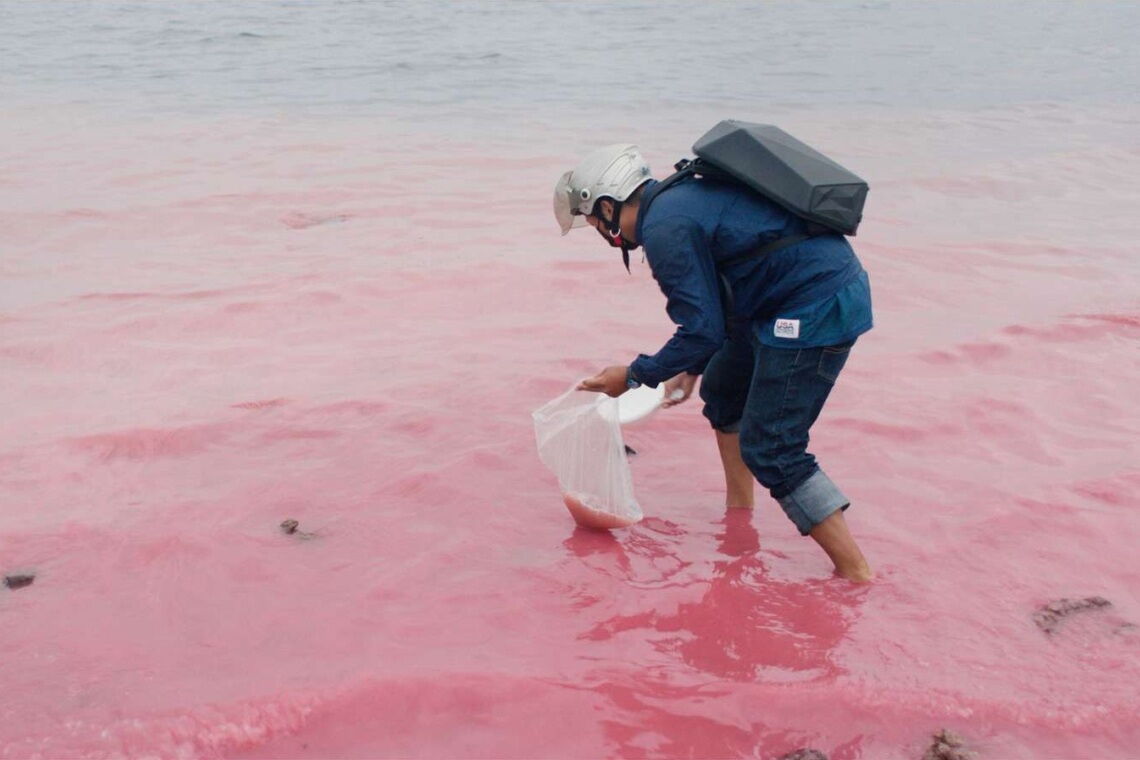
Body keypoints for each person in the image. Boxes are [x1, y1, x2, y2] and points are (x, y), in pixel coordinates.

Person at [553, 143, 874, 582]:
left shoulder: (666, 227)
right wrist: (693, 365)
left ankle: (855, 573)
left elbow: (702, 329)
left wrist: (631, 377)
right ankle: (739, 516)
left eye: (592, 220)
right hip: (781, 297)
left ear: (609, 205)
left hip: (815, 305)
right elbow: (718, 304)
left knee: (773, 448)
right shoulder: (675, 202)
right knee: (723, 391)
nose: (596, 229)